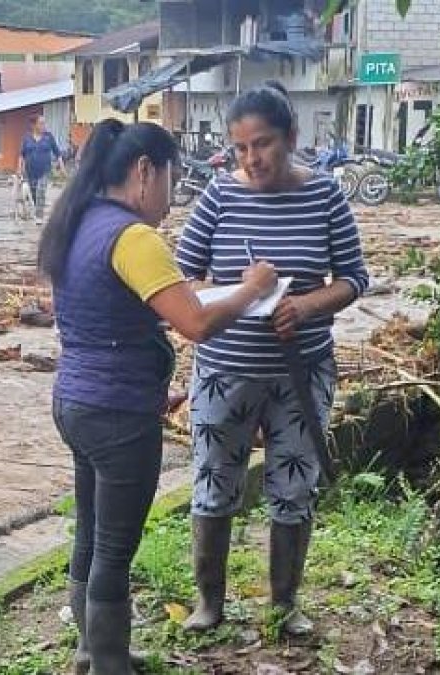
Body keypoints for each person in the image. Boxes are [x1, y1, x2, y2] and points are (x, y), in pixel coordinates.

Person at [40, 118, 278, 674]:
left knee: (91, 530)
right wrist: (252, 289)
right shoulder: (133, 237)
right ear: (145, 171)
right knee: (115, 547)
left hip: (75, 403)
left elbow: (116, 307)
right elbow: (194, 323)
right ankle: (109, 664)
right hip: (118, 415)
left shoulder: (77, 223)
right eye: (173, 179)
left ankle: (94, 653)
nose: (173, 199)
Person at [175, 81, 369, 636]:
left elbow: (354, 278)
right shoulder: (218, 196)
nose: (251, 159)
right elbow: (184, 279)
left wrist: (306, 305)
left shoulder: (326, 195)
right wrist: (234, 296)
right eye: (240, 148)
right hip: (224, 370)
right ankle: (209, 603)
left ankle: (285, 603)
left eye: (262, 144)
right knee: (214, 482)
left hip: (300, 374)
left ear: (292, 137)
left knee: (294, 486)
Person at [17, 114, 66, 224]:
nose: (44, 125)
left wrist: (62, 167)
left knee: (41, 191)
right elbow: (21, 155)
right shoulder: (27, 138)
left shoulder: (48, 137)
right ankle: (37, 210)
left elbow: (57, 153)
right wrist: (19, 169)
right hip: (30, 171)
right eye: (41, 123)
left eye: (44, 123)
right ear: (34, 125)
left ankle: (39, 216)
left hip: (45, 170)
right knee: (34, 193)